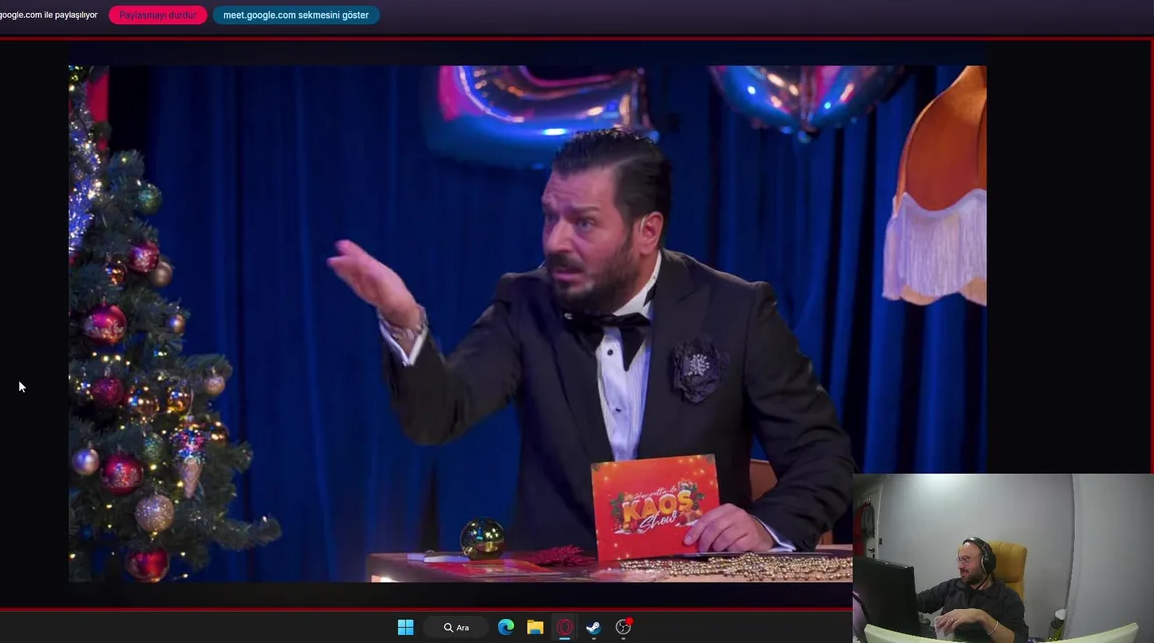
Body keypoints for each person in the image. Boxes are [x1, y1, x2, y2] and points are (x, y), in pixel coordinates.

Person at [329, 129, 854, 554]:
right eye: (550, 217)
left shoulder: (736, 311)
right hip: (563, 603)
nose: (556, 241)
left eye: (583, 223)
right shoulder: (525, 303)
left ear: (647, 232)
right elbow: (436, 417)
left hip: (695, 599)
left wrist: (764, 526)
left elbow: (823, 458)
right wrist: (403, 320)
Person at [917, 538, 1029, 643]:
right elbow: (917, 601)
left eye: (966, 559)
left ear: (986, 562)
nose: (960, 566)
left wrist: (981, 616)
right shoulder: (951, 586)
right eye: (959, 560)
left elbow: (1018, 640)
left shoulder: (1007, 597)